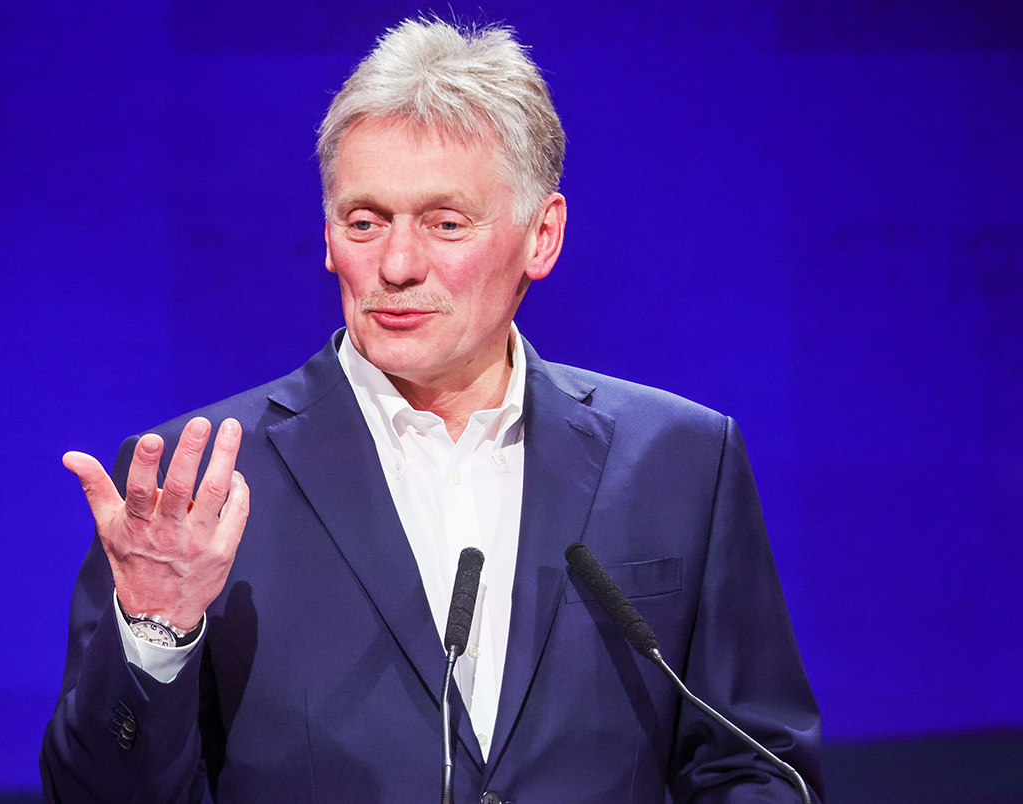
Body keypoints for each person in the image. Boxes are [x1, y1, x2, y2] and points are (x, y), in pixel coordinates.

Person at [41, 18, 823, 804]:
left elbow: (756, 768)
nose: (398, 264)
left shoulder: (679, 461)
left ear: (542, 236)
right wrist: (156, 632)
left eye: (446, 223)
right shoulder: (198, 486)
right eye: (365, 222)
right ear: (328, 237)